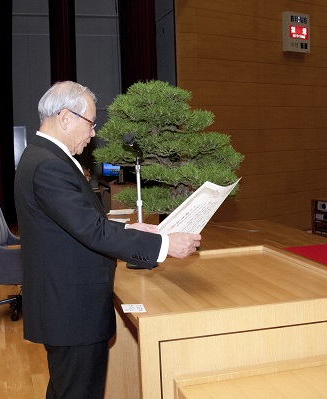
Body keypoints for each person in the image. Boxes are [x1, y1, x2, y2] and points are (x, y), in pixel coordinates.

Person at [14, 81, 202, 399]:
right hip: (71, 311)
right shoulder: (48, 166)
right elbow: (92, 232)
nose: (92, 133)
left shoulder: (41, 156)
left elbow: (79, 225)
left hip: (67, 308)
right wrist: (166, 245)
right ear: (64, 117)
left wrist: (132, 232)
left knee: (66, 390)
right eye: (90, 123)